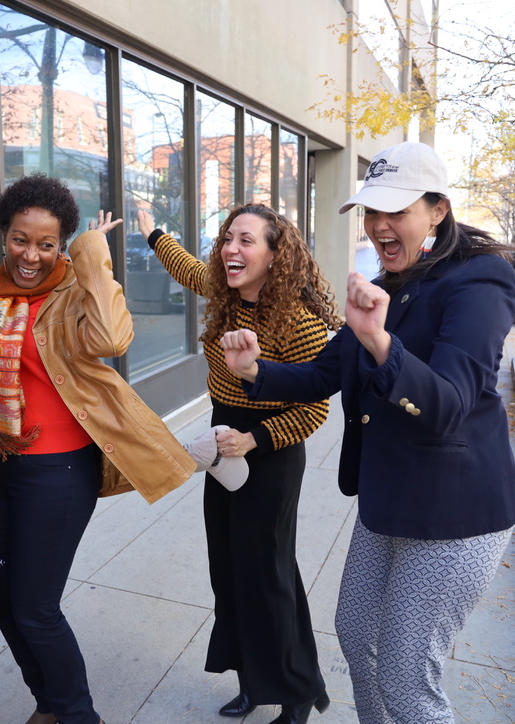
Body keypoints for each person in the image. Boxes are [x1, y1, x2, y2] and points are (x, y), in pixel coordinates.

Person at [220, 141, 515, 724]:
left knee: (408, 680)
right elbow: (324, 373)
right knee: (358, 638)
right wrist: (254, 370)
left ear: (437, 209)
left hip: (457, 515)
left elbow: (450, 403)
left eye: (396, 210)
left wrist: (381, 341)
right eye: (371, 211)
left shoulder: (480, 281)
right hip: (389, 500)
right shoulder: (391, 280)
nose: (380, 225)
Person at [0, 174, 195, 724]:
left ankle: (78, 715)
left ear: (62, 245)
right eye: (21, 239)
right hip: (0, 467)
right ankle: (51, 705)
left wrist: (92, 255)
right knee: (2, 602)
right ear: (5, 235)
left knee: (36, 608)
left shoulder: (72, 295)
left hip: (58, 473)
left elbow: (112, 339)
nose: (31, 255)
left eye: (48, 244)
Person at [138, 204, 341, 724]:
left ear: (275, 255)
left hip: (268, 455)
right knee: (228, 571)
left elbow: (316, 406)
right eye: (229, 238)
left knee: (267, 575)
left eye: (247, 240)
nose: (232, 248)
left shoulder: (298, 319)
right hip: (223, 442)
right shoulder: (225, 294)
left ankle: (296, 692)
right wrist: (153, 231)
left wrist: (255, 439)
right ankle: (252, 681)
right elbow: (186, 267)